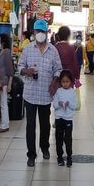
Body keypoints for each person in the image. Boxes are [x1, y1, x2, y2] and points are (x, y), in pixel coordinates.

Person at [18, 19, 62, 167]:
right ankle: (31, 154)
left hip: (45, 94)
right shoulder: (28, 49)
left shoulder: (53, 50)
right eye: (38, 31)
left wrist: (55, 81)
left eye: (43, 32)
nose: (40, 34)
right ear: (34, 32)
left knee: (45, 125)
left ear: (47, 33)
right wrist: (27, 71)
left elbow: (58, 69)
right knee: (30, 125)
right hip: (30, 94)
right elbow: (20, 66)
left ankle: (45, 147)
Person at [52, 69, 77, 167]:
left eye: (67, 82)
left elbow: (75, 106)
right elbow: (54, 105)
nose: (65, 84)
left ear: (70, 82)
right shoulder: (58, 91)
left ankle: (69, 157)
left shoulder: (72, 92)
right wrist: (59, 103)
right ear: (60, 82)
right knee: (59, 138)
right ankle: (59, 157)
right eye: (63, 82)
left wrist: (69, 104)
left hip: (68, 119)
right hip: (59, 118)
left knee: (68, 138)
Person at [0, 32, 14, 132]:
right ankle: (3, 124)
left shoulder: (6, 52)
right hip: (1, 81)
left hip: (4, 81)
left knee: (3, 103)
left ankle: (4, 125)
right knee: (2, 103)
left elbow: (10, 70)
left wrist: (9, 84)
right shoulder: (3, 51)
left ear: (2, 41)